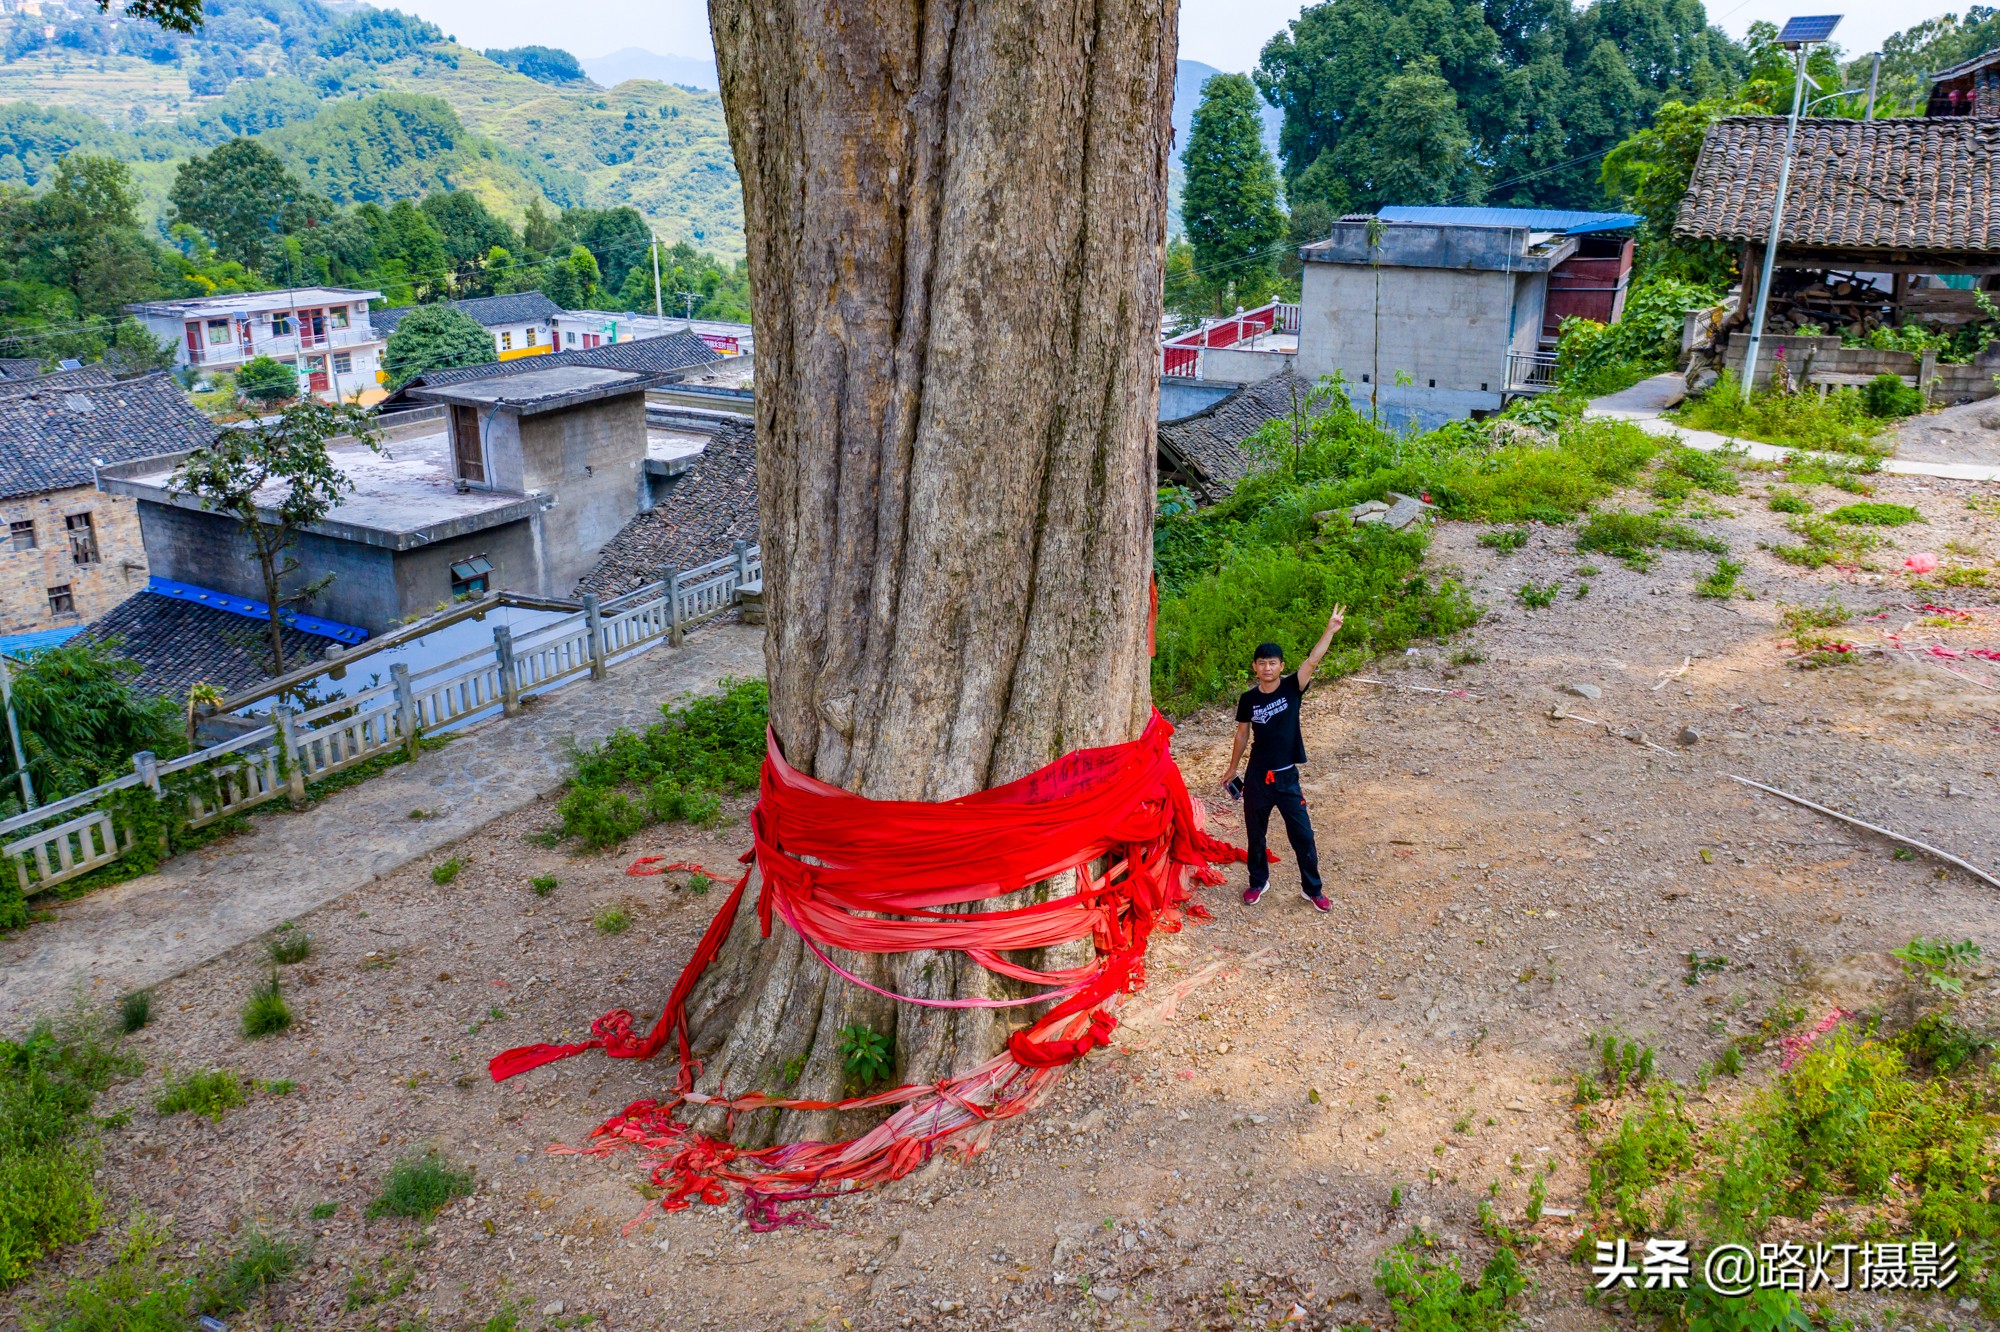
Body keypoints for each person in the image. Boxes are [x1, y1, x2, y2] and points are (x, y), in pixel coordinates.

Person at [1221, 606, 1344, 910]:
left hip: (1286, 776)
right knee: (1255, 834)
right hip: (1257, 777)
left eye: (1272, 663)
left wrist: (1329, 629)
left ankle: (1312, 889)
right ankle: (1258, 882)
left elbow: (1313, 660)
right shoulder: (1248, 699)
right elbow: (1241, 734)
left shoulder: (1292, 687)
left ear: (1281, 666)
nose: (1267, 668)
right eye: (1262, 663)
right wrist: (1232, 768)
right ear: (1255, 666)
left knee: (1303, 834)